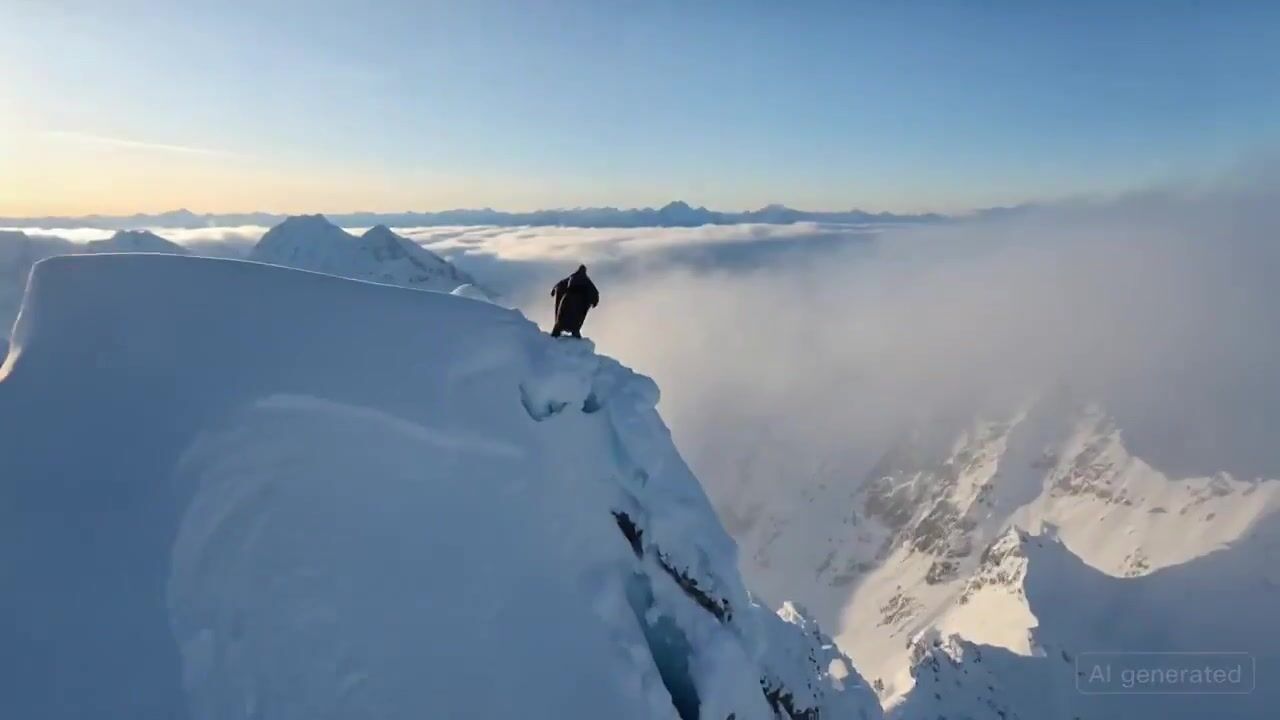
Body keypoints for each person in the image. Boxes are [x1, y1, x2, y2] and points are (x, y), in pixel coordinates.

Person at [550, 264, 599, 338]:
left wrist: (554, 290)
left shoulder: (571, 278)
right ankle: (574, 332)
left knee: (562, 318)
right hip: (579, 301)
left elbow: (561, 284)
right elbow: (594, 292)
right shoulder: (587, 280)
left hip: (568, 298)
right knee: (575, 320)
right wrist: (594, 301)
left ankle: (556, 333)